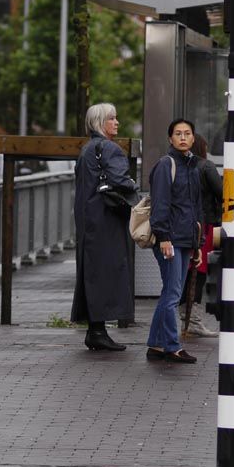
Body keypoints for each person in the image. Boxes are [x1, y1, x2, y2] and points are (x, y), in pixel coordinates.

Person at [71, 103, 139, 351]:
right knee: (110, 270)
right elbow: (121, 180)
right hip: (106, 218)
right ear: (101, 122)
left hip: (88, 219)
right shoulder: (110, 148)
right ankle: (98, 331)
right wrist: (132, 182)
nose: (117, 123)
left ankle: (95, 329)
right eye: (112, 118)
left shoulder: (87, 149)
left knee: (92, 273)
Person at [147, 118, 202, 363]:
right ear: (170, 138)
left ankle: (157, 344)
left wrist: (196, 244)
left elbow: (194, 209)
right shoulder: (165, 165)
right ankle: (172, 345)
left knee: (170, 292)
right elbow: (160, 205)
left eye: (187, 133)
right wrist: (164, 237)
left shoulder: (193, 166)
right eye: (177, 133)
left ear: (193, 138)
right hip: (169, 240)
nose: (182, 137)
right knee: (172, 293)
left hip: (184, 239)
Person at [181, 134, 221, 338]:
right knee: (200, 270)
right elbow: (222, 193)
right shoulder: (207, 167)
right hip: (204, 225)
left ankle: (184, 318)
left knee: (185, 271)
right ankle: (193, 320)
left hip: (183, 225)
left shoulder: (181, 165)